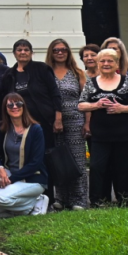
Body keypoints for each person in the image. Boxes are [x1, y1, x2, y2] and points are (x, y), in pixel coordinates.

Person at [78, 48, 128, 206]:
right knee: (97, 168)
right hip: (99, 136)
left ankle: (124, 200)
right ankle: (98, 201)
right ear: (98, 64)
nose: (106, 64)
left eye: (110, 61)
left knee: (123, 168)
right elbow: (81, 105)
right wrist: (96, 105)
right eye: (102, 61)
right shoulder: (91, 83)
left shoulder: (127, 81)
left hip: (124, 135)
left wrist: (123, 108)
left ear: (116, 64)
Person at [0, 94, 49, 218]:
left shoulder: (36, 129)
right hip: (10, 173)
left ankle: (36, 201)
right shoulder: (3, 128)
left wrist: (11, 179)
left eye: (18, 103)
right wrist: (0, 168)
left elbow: (36, 162)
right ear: (5, 109)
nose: (14, 107)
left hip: (32, 179)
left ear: (24, 106)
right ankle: (2, 207)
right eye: (10, 105)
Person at [45, 38, 88, 211]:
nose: (60, 52)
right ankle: (61, 198)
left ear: (68, 52)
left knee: (77, 159)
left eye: (63, 49)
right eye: (56, 50)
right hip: (53, 122)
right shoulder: (46, 72)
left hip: (75, 120)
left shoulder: (77, 73)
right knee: (58, 159)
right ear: (51, 52)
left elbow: (85, 99)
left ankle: (79, 199)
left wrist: (88, 123)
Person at [2, 40, 62, 151]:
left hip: (44, 120)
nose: (23, 52)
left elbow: (55, 93)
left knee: (46, 152)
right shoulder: (9, 75)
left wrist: (58, 119)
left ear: (31, 53)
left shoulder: (42, 68)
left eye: (26, 50)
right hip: (20, 122)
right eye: (19, 50)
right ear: (14, 53)